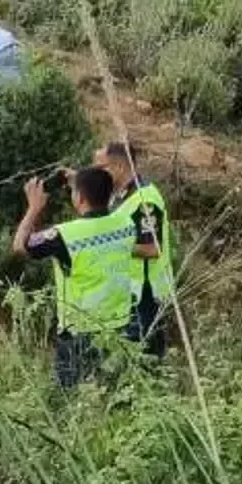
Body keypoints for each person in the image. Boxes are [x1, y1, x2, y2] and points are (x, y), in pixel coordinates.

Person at [13, 167, 136, 388]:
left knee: (72, 397)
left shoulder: (65, 235)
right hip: (119, 326)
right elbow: (105, 202)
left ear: (78, 198)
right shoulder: (126, 224)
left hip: (79, 331)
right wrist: (82, 182)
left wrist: (33, 208)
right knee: (110, 392)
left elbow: (20, 246)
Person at [93, 141, 175, 358]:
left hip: (146, 294)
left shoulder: (144, 200)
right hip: (126, 292)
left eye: (100, 169)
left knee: (145, 358)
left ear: (119, 167)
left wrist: (111, 245)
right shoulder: (119, 195)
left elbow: (152, 249)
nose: (97, 175)